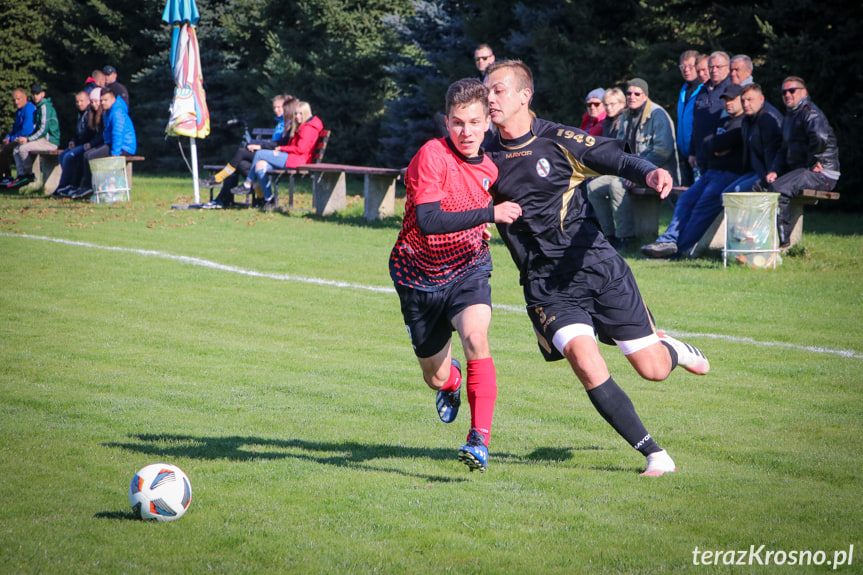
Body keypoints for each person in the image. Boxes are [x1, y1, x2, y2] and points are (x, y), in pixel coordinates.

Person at [484, 60, 710, 477]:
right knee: (584, 360)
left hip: (597, 269)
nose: (490, 98)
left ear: (523, 96)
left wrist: (652, 170)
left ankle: (673, 349)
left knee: (653, 369)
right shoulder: (482, 151)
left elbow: (619, 161)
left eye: (498, 90)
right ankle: (655, 455)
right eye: (487, 91)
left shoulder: (559, 140)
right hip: (545, 285)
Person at [389, 78, 521, 472]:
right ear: (447, 122)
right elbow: (428, 221)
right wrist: (489, 214)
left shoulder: (494, 165)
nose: (466, 132)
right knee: (435, 376)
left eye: (474, 122)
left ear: (487, 123)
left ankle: (479, 439)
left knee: (476, 337)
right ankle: (452, 383)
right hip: (417, 275)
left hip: (469, 269)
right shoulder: (432, 155)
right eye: (458, 123)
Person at [641, 83, 747, 259]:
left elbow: (717, 144)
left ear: (742, 100)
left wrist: (716, 145)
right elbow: (707, 144)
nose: (728, 103)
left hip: (730, 175)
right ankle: (667, 241)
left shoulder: (743, 123)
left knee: (701, 208)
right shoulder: (724, 119)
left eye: (732, 99)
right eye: (726, 99)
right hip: (711, 172)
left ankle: (676, 251)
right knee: (685, 199)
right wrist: (716, 146)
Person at [587, 78, 679, 249]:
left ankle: (626, 238)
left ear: (645, 95)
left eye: (637, 93)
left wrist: (640, 170)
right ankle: (608, 236)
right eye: (629, 93)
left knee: (616, 185)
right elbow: (620, 147)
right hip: (630, 170)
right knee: (593, 187)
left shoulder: (657, 114)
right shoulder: (627, 115)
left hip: (656, 172)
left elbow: (663, 151)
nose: (632, 96)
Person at [754, 76, 840, 247]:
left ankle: (782, 242)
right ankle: (756, 239)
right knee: (759, 186)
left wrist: (813, 162)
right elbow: (783, 149)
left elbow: (820, 138)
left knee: (779, 189)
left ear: (804, 92)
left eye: (792, 90)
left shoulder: (811, 113)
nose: (787, 94)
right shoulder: (790, 116)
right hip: (802, 171)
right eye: (784, 92)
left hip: (822, 173)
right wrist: (774, 171)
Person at [202, 94, 294, 204]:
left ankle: (218, 179)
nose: (276, 110)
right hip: (269, 152)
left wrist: (259, 146)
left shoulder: (287, 124)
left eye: (279, 107)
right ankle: (256, 198)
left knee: (241, 152)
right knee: (241, 164)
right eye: (274, 107)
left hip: (275, 156)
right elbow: (273, 142)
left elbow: (278, 144)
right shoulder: (280, 123)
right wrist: (256, 145)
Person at [234, 101, 323, 208]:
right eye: (296, 114)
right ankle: (269, 200)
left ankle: (247, 184)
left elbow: (301, 149)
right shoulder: (302, 125)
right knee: (260, 165)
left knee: (260, 153)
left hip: (297, 160)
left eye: (300, 114)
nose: (298, 116)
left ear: (306, 113)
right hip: (293, 157)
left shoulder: (308, 128)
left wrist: (281, 148)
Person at [69, 86, 136, 199]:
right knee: (86, 154)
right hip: (112, 144)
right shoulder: (108, 111)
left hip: (124, 147)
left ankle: (89, 187)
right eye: (101, 100)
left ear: (113, 100)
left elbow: (117, 134)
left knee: (90, 156)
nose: (102, 103)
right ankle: (84, 186)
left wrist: (115, 154)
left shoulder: (117, 113)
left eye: (105, 100)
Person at [53, 89, 104, 197]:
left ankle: (67, 184)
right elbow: (79, 133)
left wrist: (82, 143)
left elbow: (90, 134)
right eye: (77, 102)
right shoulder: (81, 114)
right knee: (62, 155)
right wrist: (73, 141)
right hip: (83, 143)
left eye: (81, 101)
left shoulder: (91, 113)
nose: (79, 104)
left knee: (70, 156)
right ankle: (68, 183)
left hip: (89, 144)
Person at [689, 51, 732, 180]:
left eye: (718, 67)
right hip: (701, 155)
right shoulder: (702, 90)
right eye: (711, 67)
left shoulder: (731, 91)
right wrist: (692, 152)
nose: (714, 70)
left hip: (721, 156)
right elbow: (695, 123)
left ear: (727, 68)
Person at [12, 84, 61, 187]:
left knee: (23, 149)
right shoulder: (38, 108)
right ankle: (21, 176)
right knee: (16, 149)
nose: (35, 96)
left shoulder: (44, 107)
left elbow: (43, 130)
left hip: (50, 141)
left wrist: (28, 139)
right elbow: (35, 129)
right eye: (33, 94)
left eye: (37, 94)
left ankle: (29, 175)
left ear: (43, 94)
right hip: (42, 140)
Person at [676, 50, 704, 186]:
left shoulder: (703, 89)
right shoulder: (683, 89)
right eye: (683, 67)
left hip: (698, 153)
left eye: (690, 66)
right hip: (685, 154)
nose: (686, 70)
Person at [0, 89, 36, 187]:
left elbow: (27, 130)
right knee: (2, 147)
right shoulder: (19, 111)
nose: (16, 102)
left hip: (26, 138)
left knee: (3, 150)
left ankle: (7, 177)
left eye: (18, 99)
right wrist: (8, 137)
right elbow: (15, 129)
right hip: (18, 137)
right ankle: (3, 176)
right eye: (14, 100)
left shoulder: (29, 109)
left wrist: (12, 139)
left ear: (25, 98)